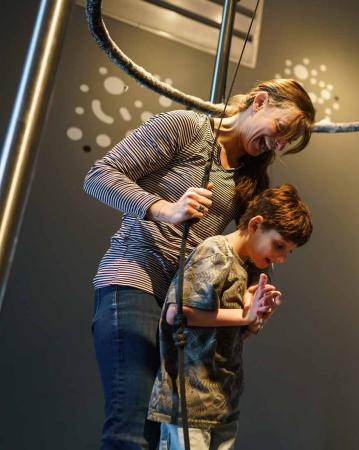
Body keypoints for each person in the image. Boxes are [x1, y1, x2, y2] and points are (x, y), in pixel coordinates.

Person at [84, 79, 316, 450]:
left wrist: (252, 304)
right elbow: (99, 176)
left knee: (162, 433)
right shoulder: (185, 127)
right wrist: (165, 209)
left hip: (184, 303)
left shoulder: (252, 178)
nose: (278, 144)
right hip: (135, 281)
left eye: (287, 143)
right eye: (281, 129)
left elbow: (250, 256)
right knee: (131, 430)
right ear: (259, 101)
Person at [147, 184, 312, 450]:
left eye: (288, 251)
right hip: (190, 402)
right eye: (279, 245)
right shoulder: (216, 252)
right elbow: (178, 313)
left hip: (222, 403)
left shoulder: (250, 269)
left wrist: (258, 315)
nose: (281, 258)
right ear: (256, 224)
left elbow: (239, 331)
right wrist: (245, 315)